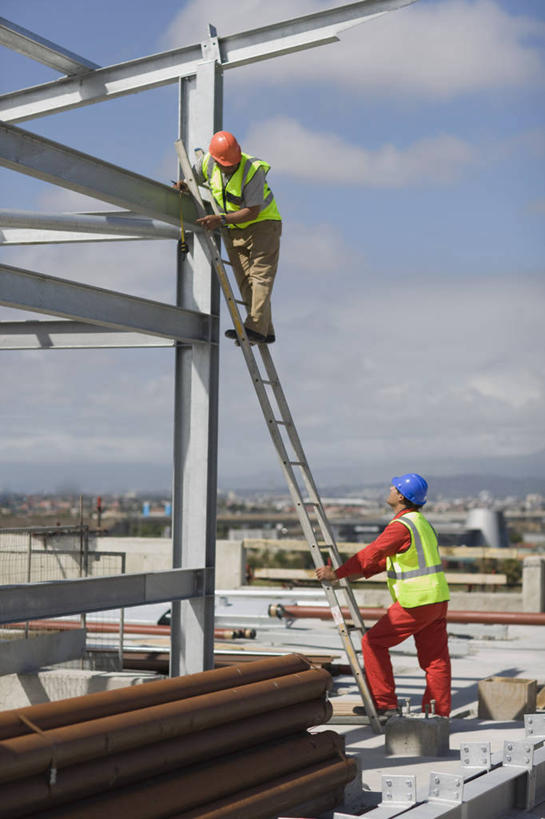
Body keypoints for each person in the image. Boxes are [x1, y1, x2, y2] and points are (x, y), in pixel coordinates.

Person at [316, 473, 451, 717]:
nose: (390, 489)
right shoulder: (421, 523)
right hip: (437, 599)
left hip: (416, 601)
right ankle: (438, 715)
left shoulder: (401, 526)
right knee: (435, 661)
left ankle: (384, 705)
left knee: (373, 643)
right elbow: (387, 559)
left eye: (394, 488)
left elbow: (373, 552)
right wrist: (354, 574)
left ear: (401, 496)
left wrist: (336, 573)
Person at [174, 130, 281, 345]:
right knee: (245, 281)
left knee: (260, 277)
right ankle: (265, 330)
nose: (231, 167)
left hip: (263, 225)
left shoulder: (252, 170)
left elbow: (253, 211)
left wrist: (221, 219)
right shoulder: (207, 163)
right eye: (226, 165)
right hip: (234, 229)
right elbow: (192, 179)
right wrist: (183, 185)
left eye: (233, 164)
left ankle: (255, 327)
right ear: (216, 160)